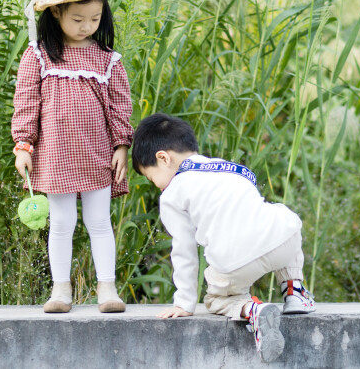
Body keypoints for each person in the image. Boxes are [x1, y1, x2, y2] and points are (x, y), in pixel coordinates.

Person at [131, 113, 316, 363]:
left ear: (163, 158)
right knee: (284, 220)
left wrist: (184, 303)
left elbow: (183, 250)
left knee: (215, 299)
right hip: (280, 242)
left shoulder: (172, 194)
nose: (158, 187)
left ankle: (253, 310)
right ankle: (295, 293)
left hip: (234, 264)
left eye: (152, 179)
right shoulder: (229, 168)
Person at [11, 0, 133, 314]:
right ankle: (61, 290)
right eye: (77, 20)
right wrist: (23, 145)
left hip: (97, 154)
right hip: (54, 155)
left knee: (100, 222)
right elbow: (25, 102)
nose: (86, 27)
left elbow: (119, 106)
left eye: (94, 20)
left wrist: (122, 145)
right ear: (56, 14)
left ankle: (107, 288)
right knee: (62, 223)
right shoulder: (39, 56)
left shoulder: (107, 60)